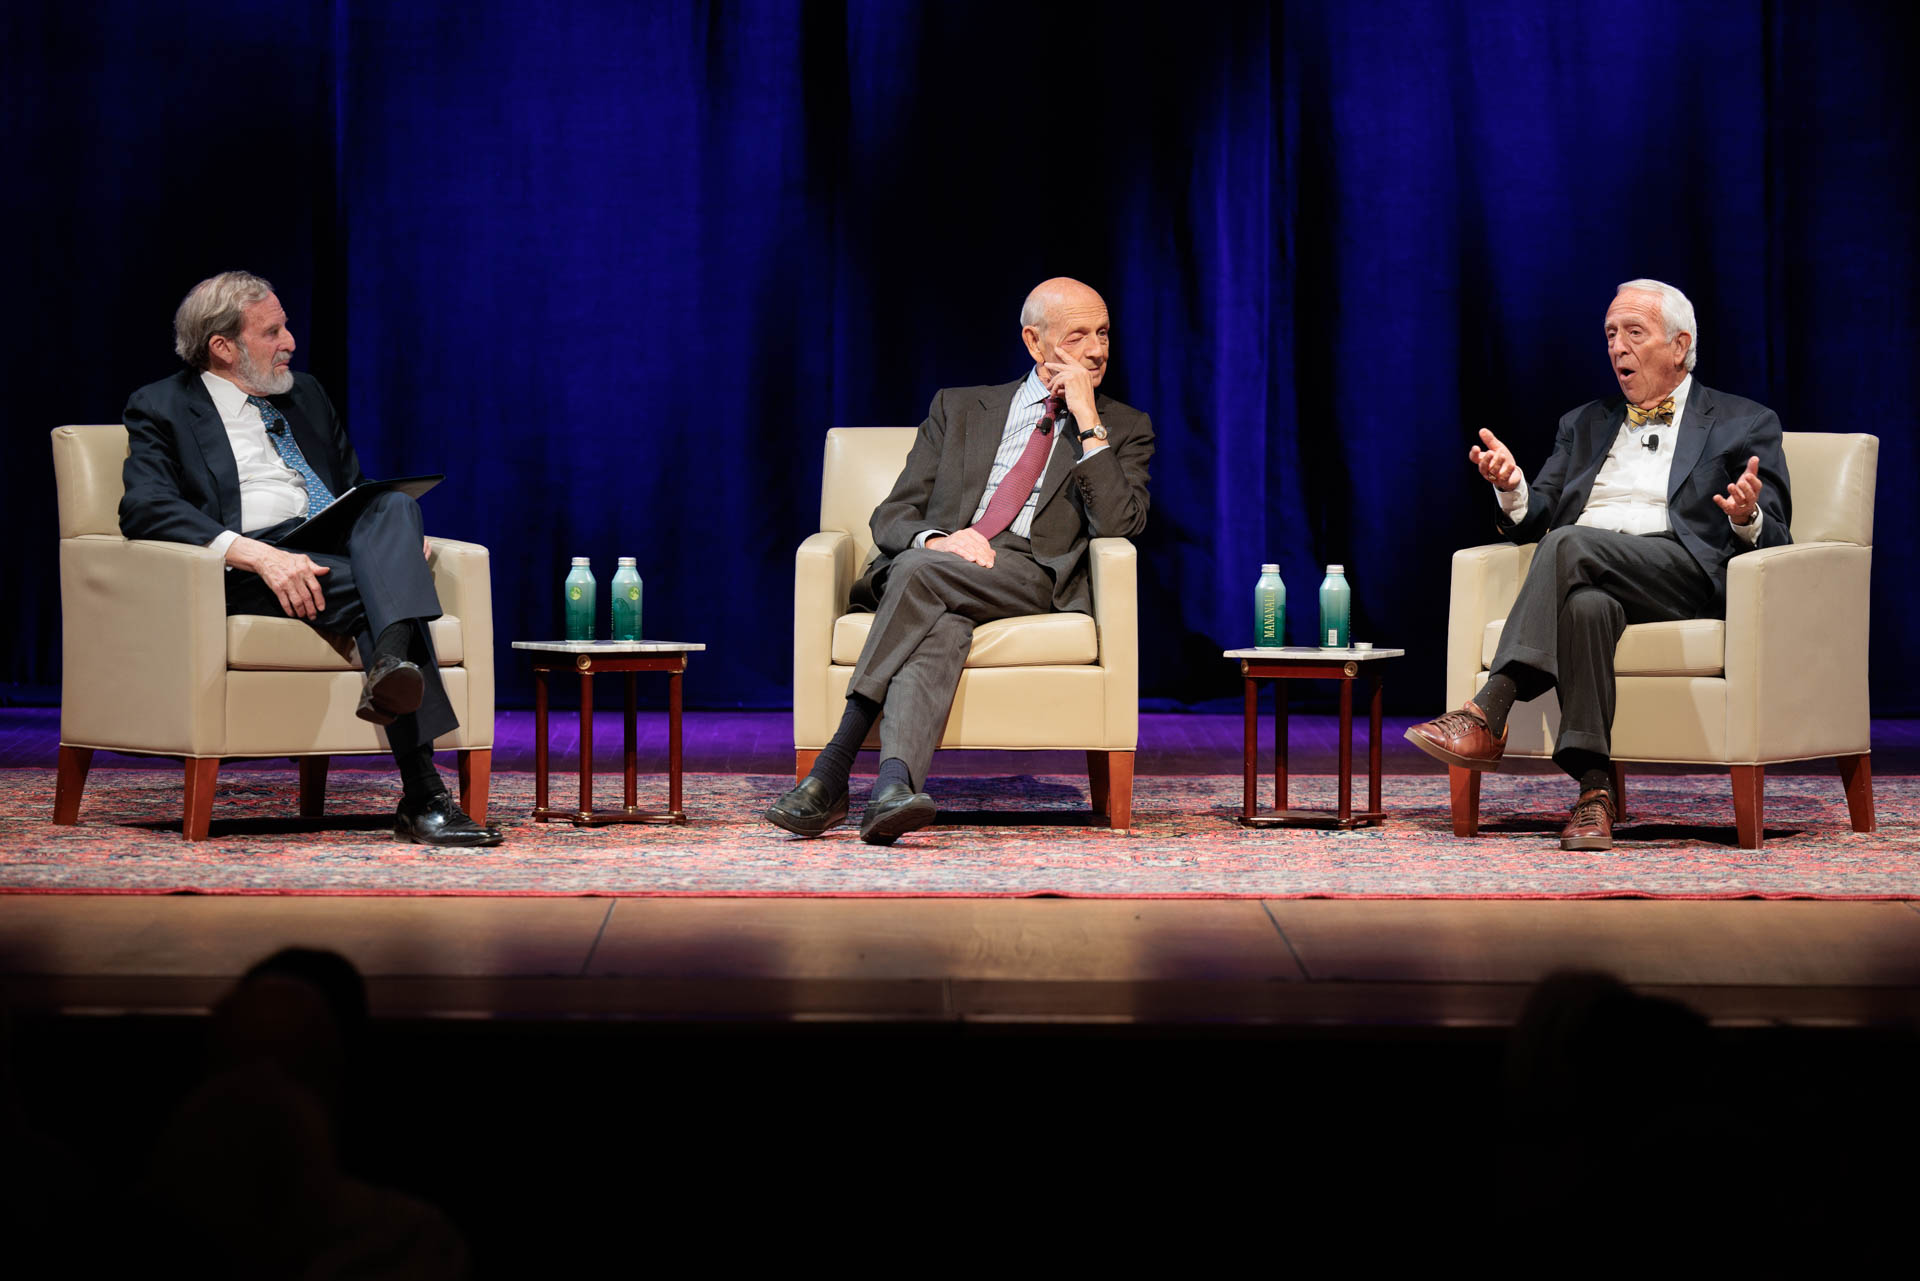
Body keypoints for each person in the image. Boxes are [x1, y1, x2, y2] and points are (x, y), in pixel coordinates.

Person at [1405, 278, 1791, 851]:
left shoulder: (1744, 422)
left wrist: (1745, 516)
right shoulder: (1583, 423)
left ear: (1680, 346)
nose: (1617, 347)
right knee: (1585, 606)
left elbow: (1779, 533)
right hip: (1595, 568)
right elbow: (1538, 515)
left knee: (1568, 543)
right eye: (1611, 334)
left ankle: (1491, 709)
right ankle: (1594, 793)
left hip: (1684, 571)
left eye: (1634, 333)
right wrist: (1512, 490)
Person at [766, 277, 1154, 843]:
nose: (1097, 349)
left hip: (1029, 575)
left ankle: (832, 769)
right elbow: (893, 515)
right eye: (1078, 336)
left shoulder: (1123, 427)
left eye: (1103, 333)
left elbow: (1120, 526)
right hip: (944, 565)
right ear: (1034, 342)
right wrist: (935, 540)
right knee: (939, 617)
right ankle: (892, 790)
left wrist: (1089, 424)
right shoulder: (959, 407)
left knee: (918, 575)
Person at [120, 271, 501, 847]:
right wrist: (257, 554)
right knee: (386, 590)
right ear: (223, 347)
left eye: (286, 326)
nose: (290, 341)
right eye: (273, 331)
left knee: (396, 507)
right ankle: (423, 796)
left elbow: (353, 491)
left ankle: (389, 664)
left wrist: (391, 545)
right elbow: (144, 508)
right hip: (248, 569)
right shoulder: (162, 406)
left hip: (327, 551)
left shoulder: (306, 394)